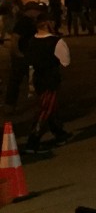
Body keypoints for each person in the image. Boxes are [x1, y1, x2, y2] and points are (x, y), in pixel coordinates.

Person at [23, 10, 72, 153]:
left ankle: (59, 133)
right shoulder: (56, 42)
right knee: (45, 110)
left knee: (51, 107)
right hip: (50, 80)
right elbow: (66, 62)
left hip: (38, 79)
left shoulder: (32, 41)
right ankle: (33, 142)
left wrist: (31, 84)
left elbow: (30, 64)